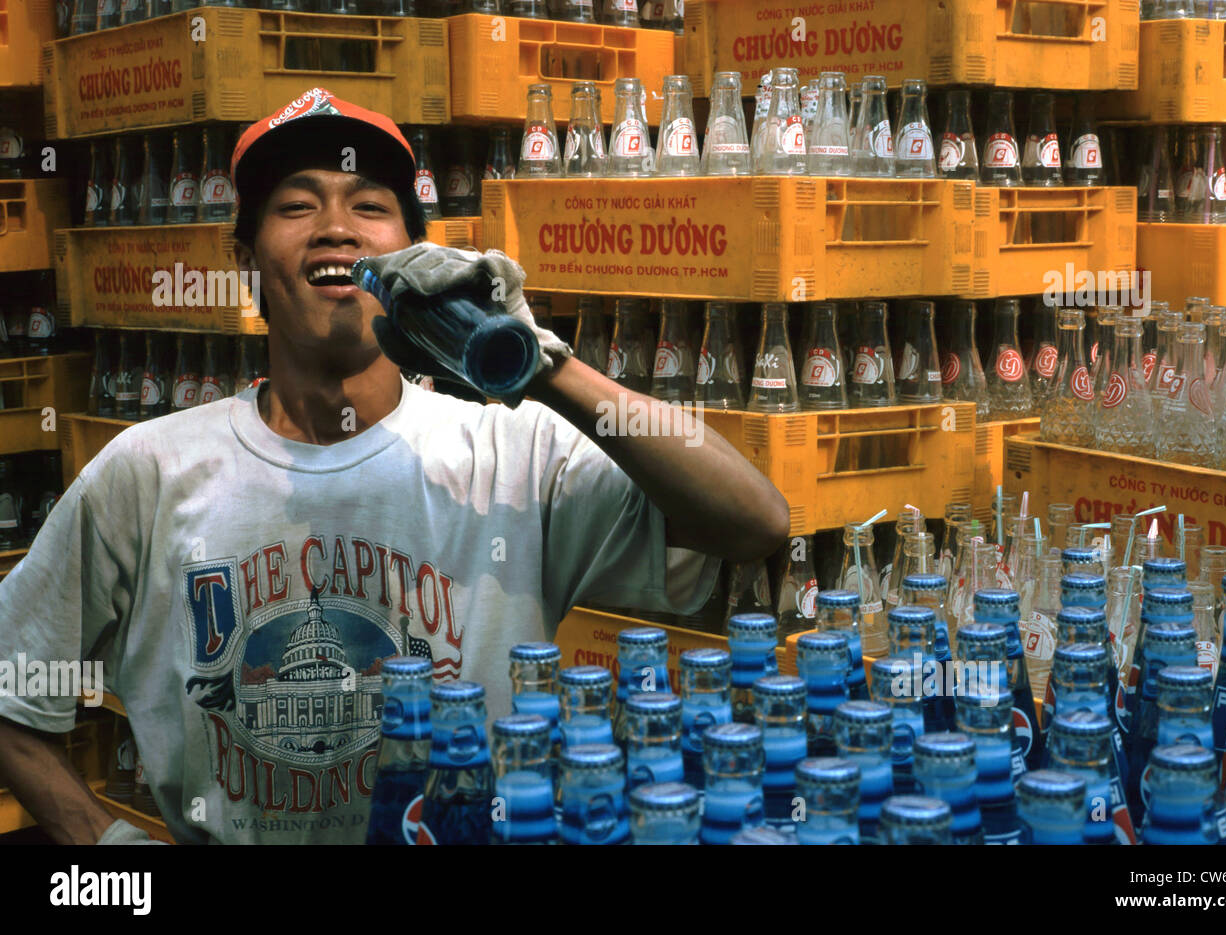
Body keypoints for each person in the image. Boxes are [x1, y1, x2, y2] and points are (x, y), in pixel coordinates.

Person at [0, 89, 788, 844]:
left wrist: (543, 365)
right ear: (243, 258)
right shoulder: (149, 472)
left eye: (370, 206)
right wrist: (104, 845)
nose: (336, 227)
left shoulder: (511, 452)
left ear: (417, 256)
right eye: (297, 205)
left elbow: (754, 521)